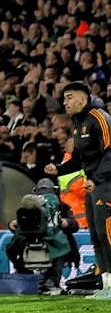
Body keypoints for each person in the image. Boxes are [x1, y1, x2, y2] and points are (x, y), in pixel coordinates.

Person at [51, 80, 111, 288]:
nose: (64, 102)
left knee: (107, 233)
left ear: (83, 98)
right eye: (63, 98)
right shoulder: (78, 124)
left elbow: (109, 153)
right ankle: (105, 284)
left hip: (105, 184)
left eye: (69, 97)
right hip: (92, 186)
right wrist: (58, 169)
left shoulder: (99, 118)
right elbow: (77, 160)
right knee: (96, 235)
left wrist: (96, 179)